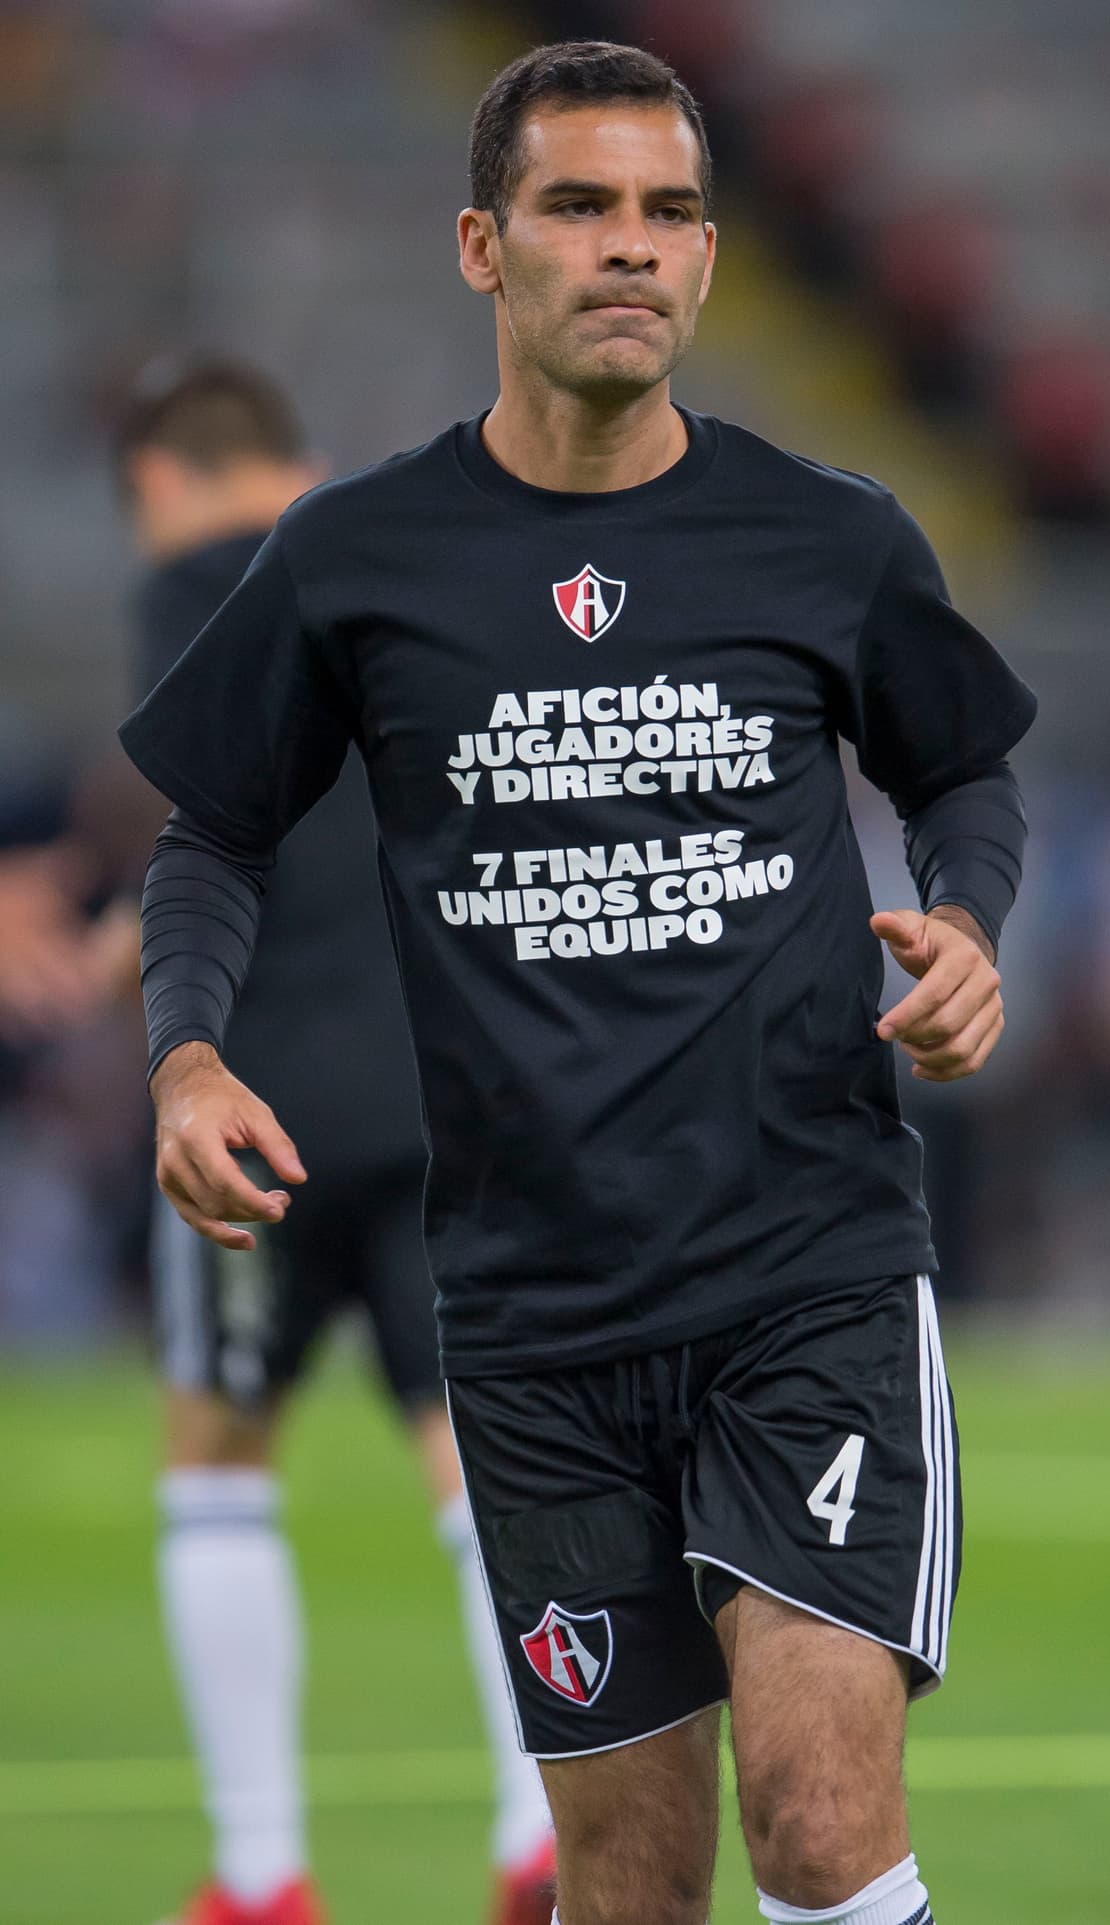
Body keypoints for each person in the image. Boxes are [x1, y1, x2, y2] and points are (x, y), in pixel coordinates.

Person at [119, 43, 1036, 1925]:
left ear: (706, 257)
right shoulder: (357, 557)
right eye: (581, 205)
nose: (632, 245)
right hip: (535, 1312)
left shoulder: (828, 533)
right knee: (622, 1880)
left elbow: (963, 771)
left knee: (816, 1816)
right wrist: (185, 1055)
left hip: (807, 1272)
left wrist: (969, 921)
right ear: (484, 246)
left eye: (670, 211)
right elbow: (210, 834)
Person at [112, 360, 554, 1925]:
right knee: (475, 1461)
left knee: (218, 1461)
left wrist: (117, 952)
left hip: (258, 1099)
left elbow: (216, 827)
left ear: (159, 481)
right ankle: (537, 1824)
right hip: (442, 1090)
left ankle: (260, 1877)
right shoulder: (406, 569)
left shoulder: (192, 587)